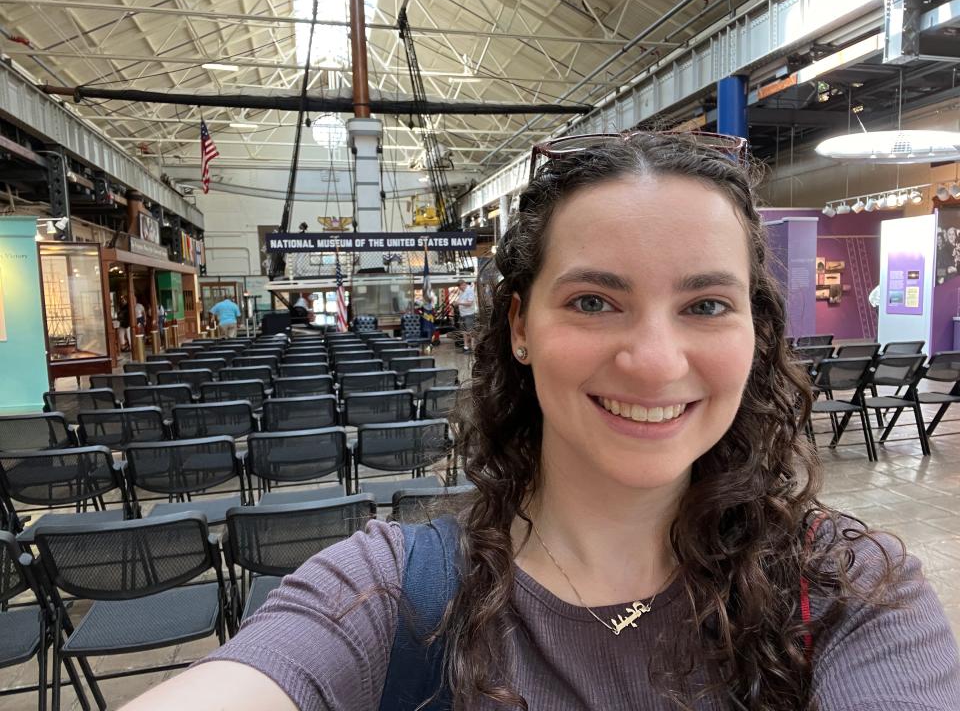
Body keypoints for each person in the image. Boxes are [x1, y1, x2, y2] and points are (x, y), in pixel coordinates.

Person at [120, 133, 960, 711]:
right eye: (594, 301)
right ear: (519, 325)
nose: (656, 361)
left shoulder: (854, 593)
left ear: (755, 331)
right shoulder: (391, 594)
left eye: (705, 303)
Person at [457, 278, 477, 353]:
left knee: (470, 331)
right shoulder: (462, 291)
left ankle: (473, 347)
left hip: (469, 314)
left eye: (460, 287)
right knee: (464, 331)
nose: (459, 289)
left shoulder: (469, 291)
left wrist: (459, 303)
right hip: (463, 314)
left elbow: (469, 303)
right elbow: (461, 300)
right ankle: (466, 347)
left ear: (463, 285)